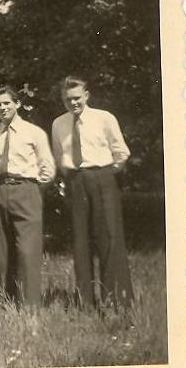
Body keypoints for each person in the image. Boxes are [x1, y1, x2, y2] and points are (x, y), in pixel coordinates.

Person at [51, 76, 134, 309]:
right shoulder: (59, 124)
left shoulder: (104, 118)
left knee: (109, 238)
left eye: (77, 98)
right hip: (76, 182)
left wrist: (105, 175)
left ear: (87, 95)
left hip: (103, 178)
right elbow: (60, 157)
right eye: (68, 99)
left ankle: (116, 301)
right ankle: (85, 302)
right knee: (81, 241)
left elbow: (121, 153)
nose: (73, 103)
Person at [0, 86, 55, 306]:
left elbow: (47, 168)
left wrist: (31, 189)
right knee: (3, 249)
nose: (2, 108)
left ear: (17, 104)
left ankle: (30, 304)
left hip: (26, 189)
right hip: (1, 191)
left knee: (27, 249)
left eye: (7, 103)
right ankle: (6, 300)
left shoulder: (34, 132)